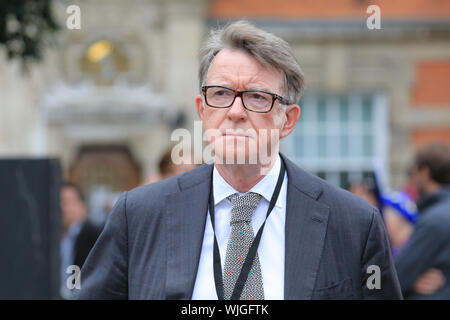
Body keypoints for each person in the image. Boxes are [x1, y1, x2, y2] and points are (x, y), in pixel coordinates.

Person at [73, 21, 401, 300]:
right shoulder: (140, 214)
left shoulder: (353, 224)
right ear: (202, 110)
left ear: (288, 120)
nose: (235, 112)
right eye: (221, 93)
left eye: (257, 97)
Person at [394, 142, 450, 299]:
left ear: (424, 172)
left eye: (413, 173)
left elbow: (394, 277)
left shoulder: (435, 220)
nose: (412, 180)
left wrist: (410, 282)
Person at [60, 182, 103, 299]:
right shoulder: (53, 239)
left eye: (67, 203)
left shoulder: (95, 236)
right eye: (59, 203)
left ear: (82, 206)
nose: (63, 208)